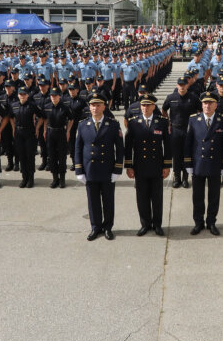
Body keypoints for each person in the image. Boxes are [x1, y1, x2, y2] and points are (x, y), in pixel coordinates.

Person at [74, 92, 124, 241]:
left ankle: (108, 227)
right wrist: (79, 170)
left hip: (107, 169)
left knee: (108, 200)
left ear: (104, 106)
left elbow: (120, 149)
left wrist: (117, 169)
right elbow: (77, 148)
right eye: (92, 105)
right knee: (93, 200)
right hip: (90, 170)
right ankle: (95, 227)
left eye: (98, 105)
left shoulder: (113, 124)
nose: (95, 108)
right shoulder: (83, 125)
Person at [184, 91, 223, 236]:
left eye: (210, 103)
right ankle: (198, 222)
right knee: (197, 196)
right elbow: (188, 143)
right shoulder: (193, 120)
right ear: (202, 104)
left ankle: (211, 222)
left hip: (215, 164)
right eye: (205, 103)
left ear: (216, 105)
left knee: (214, 196)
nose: (207, 105)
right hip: (198, 163)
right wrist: (188, 163)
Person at [124, 94, 170, 236]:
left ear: (153, 107)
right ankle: (145, 224)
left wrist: (167, 165)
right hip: (140, 166)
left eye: (148, 105)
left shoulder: (162, 122)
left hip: (156, 165)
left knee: (157, 197)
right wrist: (129, 166)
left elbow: (168, 144)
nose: (145, 108)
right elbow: (128, 146)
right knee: (142, 197)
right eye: (143, 105)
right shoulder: (133, 122)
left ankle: (157, 225)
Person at [162, 77, 201, 189]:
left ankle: (185, 178)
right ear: (177, 85)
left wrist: (196, 123)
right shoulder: (171, 97)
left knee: (187, 154)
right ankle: (176, 177)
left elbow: (200, 110)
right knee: (176, 154)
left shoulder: (193, 97)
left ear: (187, 85)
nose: (182, 86)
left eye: (184, 84)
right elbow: (164, 109)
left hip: (189, 129)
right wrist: (168, 121)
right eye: (180, 84)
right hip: (175, 130)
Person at [10, 86, 44, 189]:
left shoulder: (32, 105)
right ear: (18, 95)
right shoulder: (14, 105)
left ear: (27, 95)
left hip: (30, 133)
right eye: (20, 94)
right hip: (19, 133)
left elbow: (42, 116)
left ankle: (30, 178)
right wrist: (13, 128)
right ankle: (24, 178)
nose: (22, 96)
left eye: (24, 94)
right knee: (21, 156)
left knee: (30, 156)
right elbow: (11, 117)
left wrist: (37, 128)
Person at [42, 87, 74, 188]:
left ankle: (62, 179)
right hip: (50, 133)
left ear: (59, 96)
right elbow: (45, 119)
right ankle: (55, 178)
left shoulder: (65, 107)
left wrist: (68, 131)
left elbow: (71, 119)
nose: (53, 97)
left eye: (55, 95)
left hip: (61, 133)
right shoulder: (47, 106)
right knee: (52, 157)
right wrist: (44, 130)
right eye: (52, 95)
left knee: (62, 156)